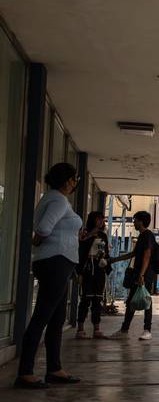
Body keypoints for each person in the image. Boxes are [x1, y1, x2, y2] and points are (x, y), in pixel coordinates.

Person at [15, 163, 82, 389]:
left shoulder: (53, 198)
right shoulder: (58, 200)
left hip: (58, 261)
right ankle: (25, 372)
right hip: (55, 262)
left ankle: (55, 368)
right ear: (67, 180)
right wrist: (40, 240)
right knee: (42, 316)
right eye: (75, 179)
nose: (75, 183)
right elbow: (43, 229)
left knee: (56, 318)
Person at [111, 211, 156, 341]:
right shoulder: (142, 236)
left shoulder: (147, 235)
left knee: (146, 301)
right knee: (132, 301)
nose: (134, 222)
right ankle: (125, 329)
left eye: (135, 220)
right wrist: (114, 259)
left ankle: (147, 330)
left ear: (141, 221)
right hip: (140, 274)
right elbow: (134, 254)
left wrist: (141, 275)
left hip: (144, 274)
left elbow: (147, 255)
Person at [75, 211, 110, 339]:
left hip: (99, 269)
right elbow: (80, 249)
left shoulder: (103, 235)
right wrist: (79, 273)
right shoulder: (84, 233)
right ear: (92, 220)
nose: (101, 222)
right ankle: (80, 329)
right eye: (98, 219)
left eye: (102, 219)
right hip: (88, 269)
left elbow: (106, 252)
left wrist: (106, 264)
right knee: (85, 298)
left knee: (97, 299)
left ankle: (97, 328)